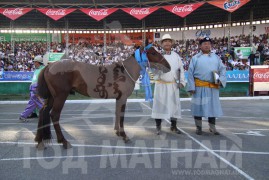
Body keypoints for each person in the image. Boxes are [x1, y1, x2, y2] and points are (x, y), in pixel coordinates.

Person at [187, 37, 227, 135]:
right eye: (204, 43)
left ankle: (212, 127)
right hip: (199, 86)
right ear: (200, 46)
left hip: (212, 86)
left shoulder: (216, 57)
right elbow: (190, 73)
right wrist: (191, 87)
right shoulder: (195, 58)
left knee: (213, 107)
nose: (207, 45)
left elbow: (222, 69)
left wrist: (221, 80)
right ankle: (198, 127)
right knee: (198, 108)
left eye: (208, 43)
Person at [151, 34, 186, 135]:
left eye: (169, 41)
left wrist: (182, 82)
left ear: (171, 43)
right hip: (161, 85)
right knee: (159, 106)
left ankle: (173, 126)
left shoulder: (176, 56)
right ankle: (158, 127)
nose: (167, 43)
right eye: (165, 41)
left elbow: (181, 70)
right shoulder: (157, 55)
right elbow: (151, 70)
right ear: (161, 44)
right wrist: (157, 70)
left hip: (173, 85)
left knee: (174, 106)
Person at [19, 55, 45, 122]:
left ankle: (24, 115)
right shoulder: (37, 70)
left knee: (35, 104)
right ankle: (45, 115)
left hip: (36, 89)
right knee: (40, 104)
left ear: (38, 62)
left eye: (35, 62)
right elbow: (34, 80)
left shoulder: (43, 70)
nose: (34, 63)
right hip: (34, 89)